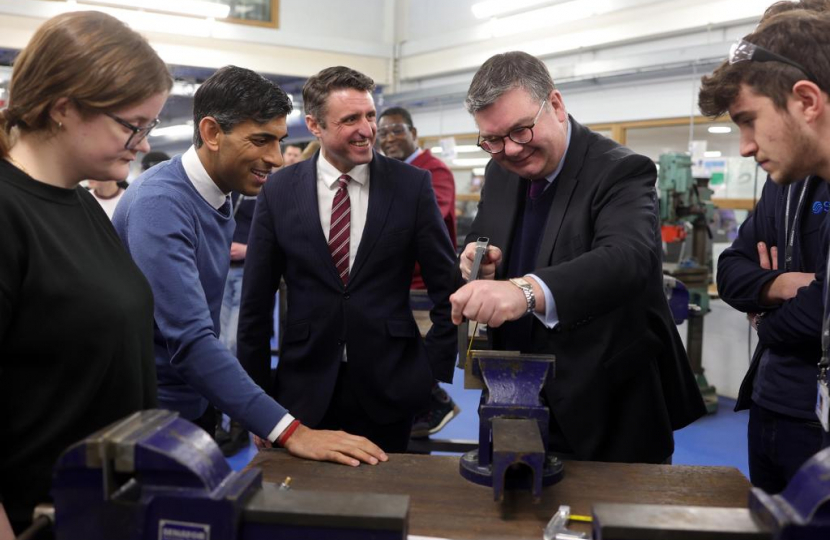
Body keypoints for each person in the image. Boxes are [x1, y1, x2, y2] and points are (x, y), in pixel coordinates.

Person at [113, 65, 386, 468]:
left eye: (278, 141)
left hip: (191, 404)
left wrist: (256, 410)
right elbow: (190, 341)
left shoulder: (219, 195)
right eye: (260, 140)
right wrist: (291, 430)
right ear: (211, 133)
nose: (275, 158)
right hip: (152, 420)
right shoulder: (162, 205)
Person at [449, 51, 706, 464]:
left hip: (605, 402)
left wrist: (525, 291)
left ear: (555, 105)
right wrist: (479, 259)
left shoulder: (620, 170)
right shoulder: (501, 170)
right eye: (492, 140)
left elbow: (628, 258)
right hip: (512, 388)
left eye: (520, 131)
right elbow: (485, 233)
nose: (510, 150)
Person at [0, 11, 172, 537]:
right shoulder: (8, 212)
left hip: (102, 511)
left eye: (150, 127)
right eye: (131, 124)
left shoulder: (76, 201)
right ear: (63, 108)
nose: (143, 144)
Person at [237, 66, 459, 453]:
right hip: (303, 389)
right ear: (314, 125)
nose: (367, 129)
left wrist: (428, 375)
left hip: (391, 388)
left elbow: (447, 290)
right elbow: (255, 305)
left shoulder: (410, 186)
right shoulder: (279, 192)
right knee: (303, 505)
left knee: (390, 502)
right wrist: (258, 403)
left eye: (370, 115)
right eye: (351, 119)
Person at [698, 8, 830, 487]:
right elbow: (731, 268)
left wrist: (767, 315)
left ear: (806, 99)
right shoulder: (782, 181)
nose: (745, 149)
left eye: (749, 121)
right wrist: (780, 285)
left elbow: (821, 313)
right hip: (774, 403)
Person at [377, 106, 460, 438]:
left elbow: (429, 222)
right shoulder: (388, 172)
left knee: (414, 359)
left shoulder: (434, 172)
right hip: (394, 284)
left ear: (414, 134)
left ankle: (431, 404)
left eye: (396, 130)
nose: (389, 138)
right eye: (382, 133)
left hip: (423, 289)